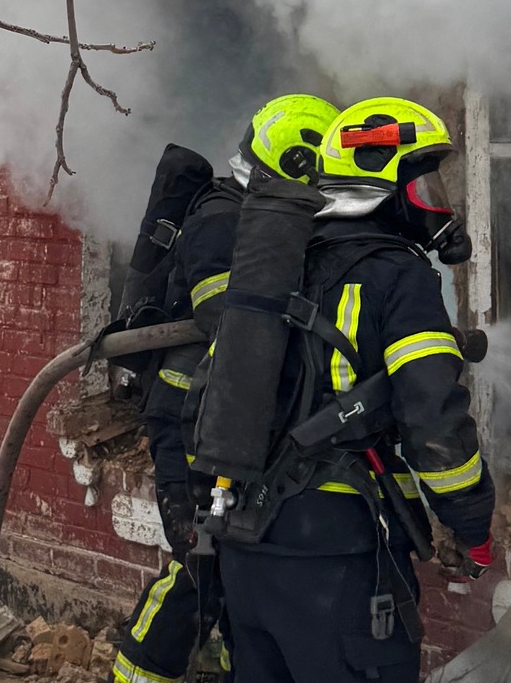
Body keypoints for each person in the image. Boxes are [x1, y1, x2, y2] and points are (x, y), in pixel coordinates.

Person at [205, 97, 495, 683]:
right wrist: (471, 525)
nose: (433, 204)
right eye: (421, 185)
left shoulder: (274, 266)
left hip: (244, 546)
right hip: (335, 559)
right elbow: (434, 422)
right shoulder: (397, 275)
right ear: (382, 190)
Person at [113, 95, 340, 683]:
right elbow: (229, 322)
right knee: (198, 564)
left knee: (236, 569)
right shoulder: (221, 216)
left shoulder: (268, 218)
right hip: (187, 415)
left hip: (229, 421)